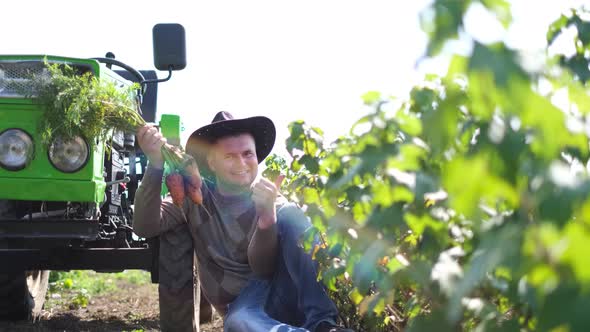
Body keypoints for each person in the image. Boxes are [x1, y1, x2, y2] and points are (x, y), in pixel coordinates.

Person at [134, 111, 353, 332]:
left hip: (284, 293)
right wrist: (155, 165)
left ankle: (323, 323)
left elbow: (264, 269)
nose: (241, 163)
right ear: (211, 162)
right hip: (243, 307)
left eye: (247, 153)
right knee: (239, 323)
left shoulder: (268, 198)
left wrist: (267, 220)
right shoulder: (194, 198)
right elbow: (144, 226)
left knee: (291, 214)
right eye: (229, 156)